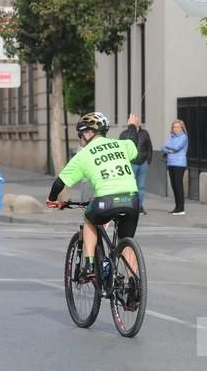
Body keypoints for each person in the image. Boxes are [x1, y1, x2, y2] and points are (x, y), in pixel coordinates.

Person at [46, 112, 139, 288]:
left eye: (80, 134)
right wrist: (132, 125)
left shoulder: (83, 155)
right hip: (132, 200)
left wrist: (52, 200)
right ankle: (134, 286)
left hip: (106, 201)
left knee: (89, 218)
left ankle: (89, 265)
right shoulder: (121, 145)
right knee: (125, 240)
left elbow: (60, 182)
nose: (80, 138)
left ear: (89, 133)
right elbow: (133, 141)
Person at [119, 113, 153, 215]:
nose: (136, 122)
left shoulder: (145, 133)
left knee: (141, 186)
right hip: (130, 164)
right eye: (134, 121)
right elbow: (120, 149)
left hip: (143, 164)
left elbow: (149, 147)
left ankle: (139, 207)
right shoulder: (124, 134)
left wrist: (148, 160)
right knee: (129, 186)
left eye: (137, 121)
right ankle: (129, 206)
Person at [161, 119, 188, 215]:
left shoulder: (184, 137)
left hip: (179, 164)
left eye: (177, 127)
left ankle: (181, 208)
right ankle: (177, 207)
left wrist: (168, 148)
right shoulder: (171, 137)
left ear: (182, 128)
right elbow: (163, 147)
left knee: (178, 185)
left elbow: (177, 148)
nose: (175, 129)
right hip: (170, 163)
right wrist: (169, 150)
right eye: (174, 127)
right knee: (174, 186)